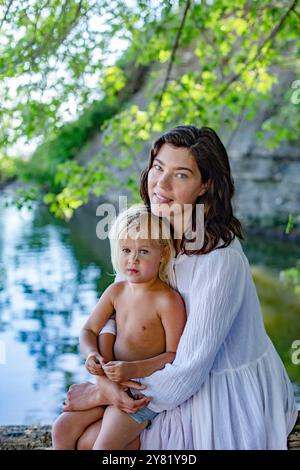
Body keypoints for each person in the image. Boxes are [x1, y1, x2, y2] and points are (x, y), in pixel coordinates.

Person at [59, 125, 298, 450]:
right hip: (148, 373)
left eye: (181, 175)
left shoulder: (219, 260)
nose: (162, 184)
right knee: (67, 430)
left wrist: (99, 392)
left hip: (213, 386)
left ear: (205, 186)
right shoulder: (151, 228)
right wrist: (102, 374)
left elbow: (189, 368)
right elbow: (119, 304)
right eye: (158, 167)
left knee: (92, 443)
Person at [52, 205, 186, 450]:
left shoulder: (168, 301)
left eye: (143, 251)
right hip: (109, 384)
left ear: (163, 253)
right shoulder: (116, 291)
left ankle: (131, 439)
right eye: (126, 250)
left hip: (141, 394)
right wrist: (91, 355)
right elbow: (88, 331)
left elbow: (174, 355)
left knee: (100, 446)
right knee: (61, 428)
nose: (132, 259)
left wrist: (132, 368)